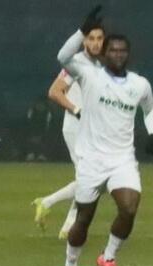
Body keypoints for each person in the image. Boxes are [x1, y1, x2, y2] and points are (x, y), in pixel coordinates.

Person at [56, 6, 153, 266]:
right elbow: (63, 57)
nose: (117, 54)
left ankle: (109, 257)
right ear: (104, 53)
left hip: (122, 160)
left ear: (128, 54)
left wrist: (152, 133)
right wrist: (81, 31)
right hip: (91, 159)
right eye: (112, 50)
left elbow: (151, 109)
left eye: (122, 50)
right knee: (84, 219)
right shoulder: (89, 75)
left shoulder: (139, 84)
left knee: (129, 207)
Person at [32, 25, 105, 238]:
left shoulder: (100, 65)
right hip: (76, 129)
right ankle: (52, 208)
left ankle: (63, 220)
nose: (96, 43)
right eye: (91, 38)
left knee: (91, 181)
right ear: (84, 41)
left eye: (99, 38)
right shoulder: (76, 63)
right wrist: (77, 110)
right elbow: (55, 92)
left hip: (92, 130)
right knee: (91, 181)